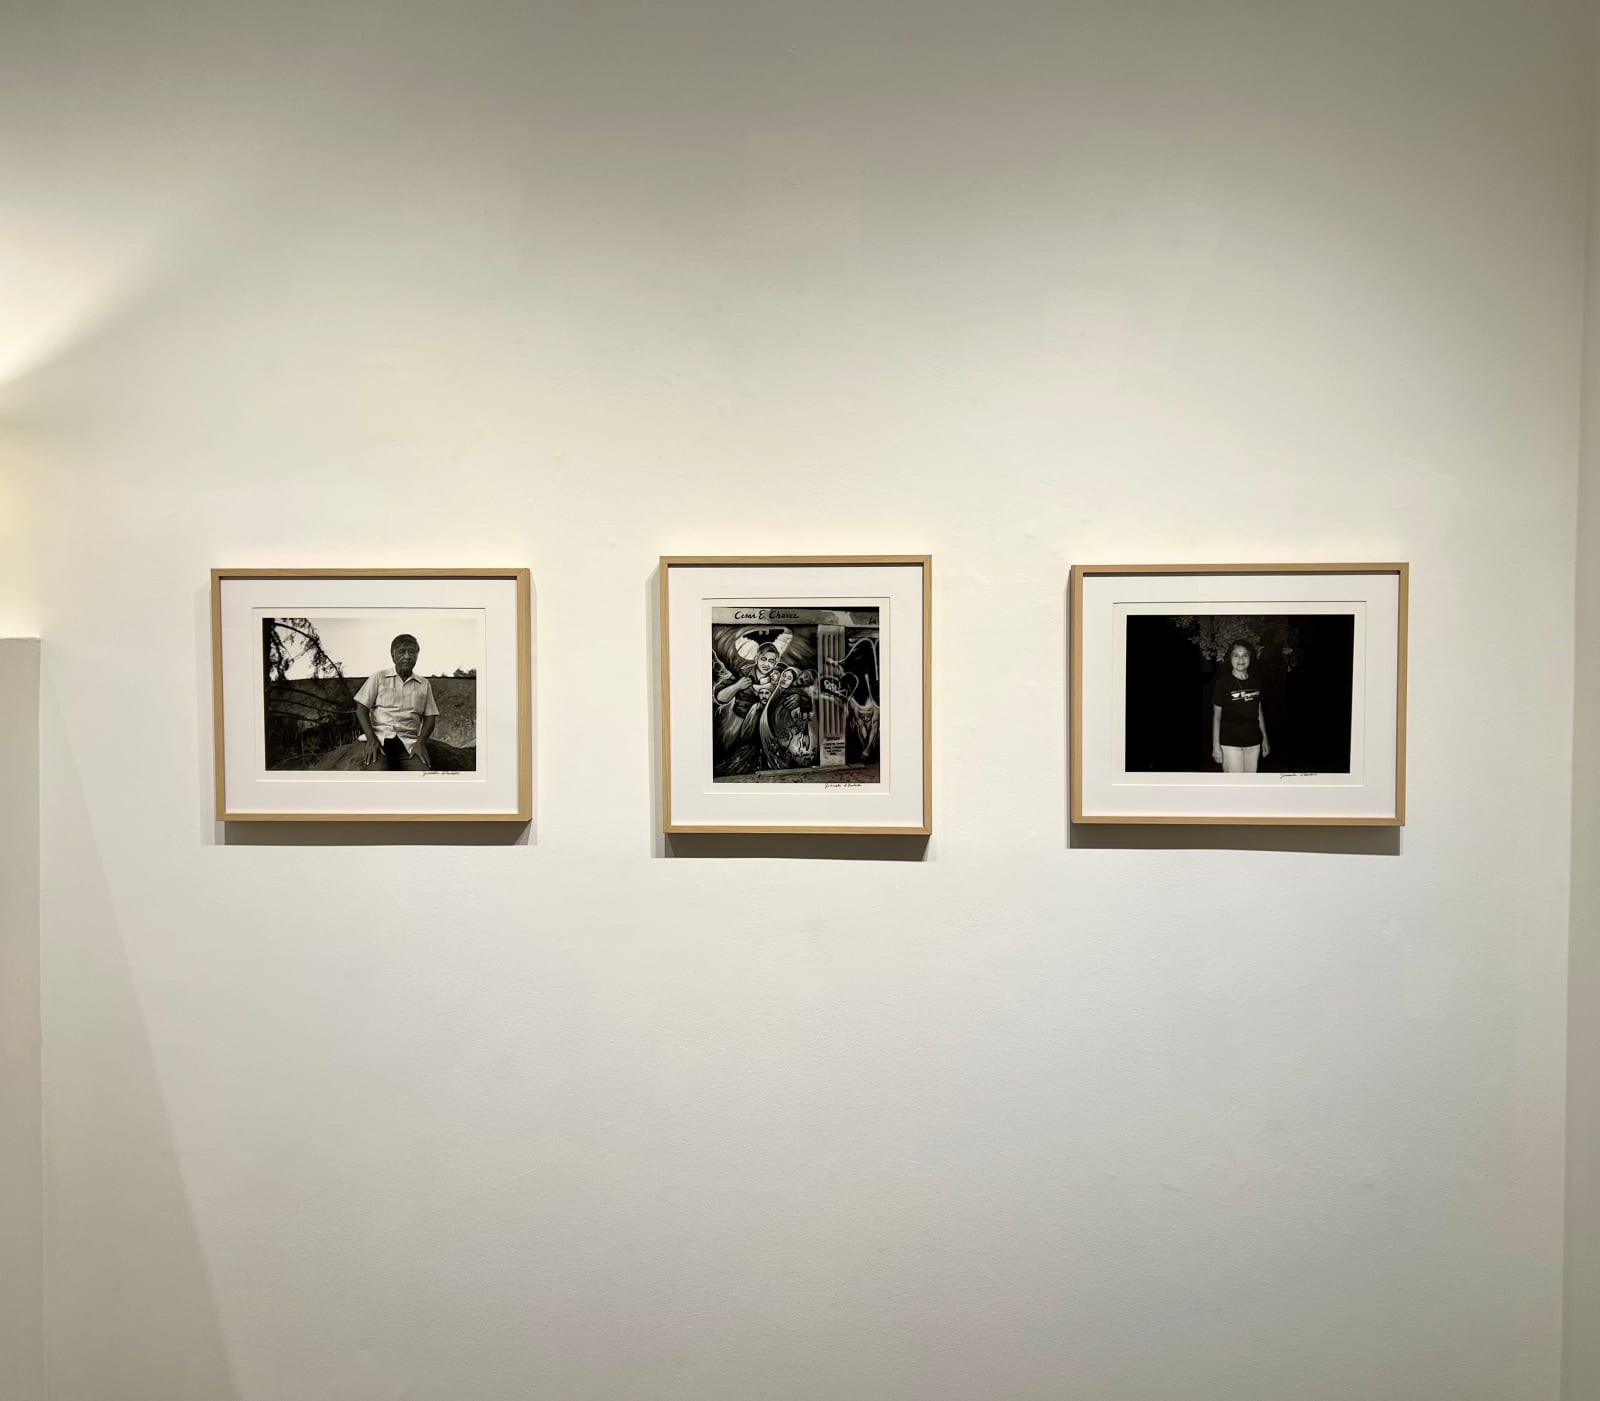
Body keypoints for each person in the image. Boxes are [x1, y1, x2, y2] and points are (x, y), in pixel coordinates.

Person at [353, 633, 439, 770]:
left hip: (409, 743)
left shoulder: (424, 684)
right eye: (402, 652)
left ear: (417, 655)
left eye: (412, 652)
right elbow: (361, 709)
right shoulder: (379, 677)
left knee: (422, 775)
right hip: (381, 739)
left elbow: (430, 717)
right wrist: (371, 739)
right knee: (377, 775)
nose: (407, 656)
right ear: (393, 656)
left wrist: (421, 743)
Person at [1211, 640, 1271, 773]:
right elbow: (1217, 717)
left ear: (1250, 657)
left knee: (1250, 782)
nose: (1241, 660)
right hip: (1230, 743)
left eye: (1245, 655)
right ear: (1230, 658)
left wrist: (1264, 738)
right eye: (1236, 655)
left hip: (1253, 743)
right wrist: (1215, 746)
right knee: (1235, 783)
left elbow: (1259, 712)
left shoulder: (1256, 682)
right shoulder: (1223, 683)